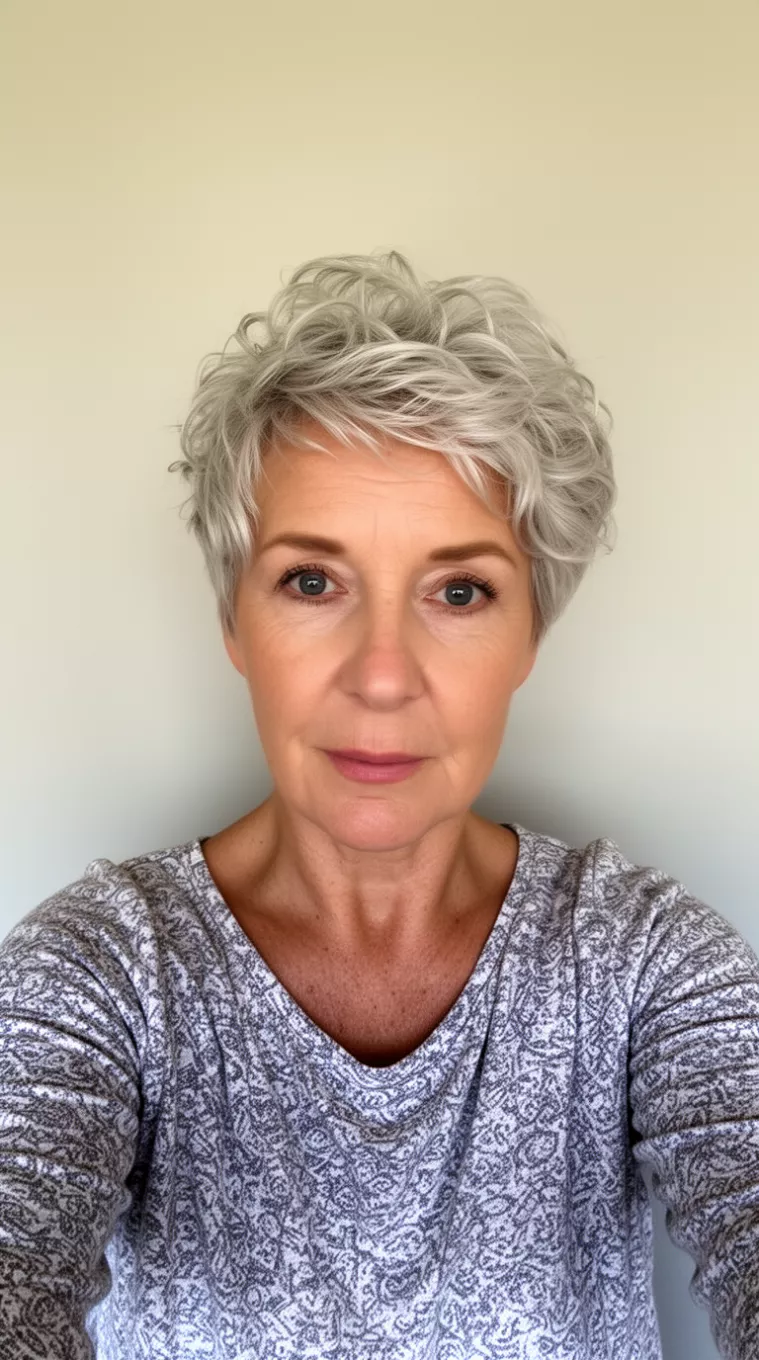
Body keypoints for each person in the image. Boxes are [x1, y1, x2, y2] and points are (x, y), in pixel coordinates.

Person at [0, 251, 757, 1360]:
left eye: (461, 591)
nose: (384, 674)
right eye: (313, 580)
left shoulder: (640, 960)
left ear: (528, 636)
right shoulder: (108, 971)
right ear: (234, 620)